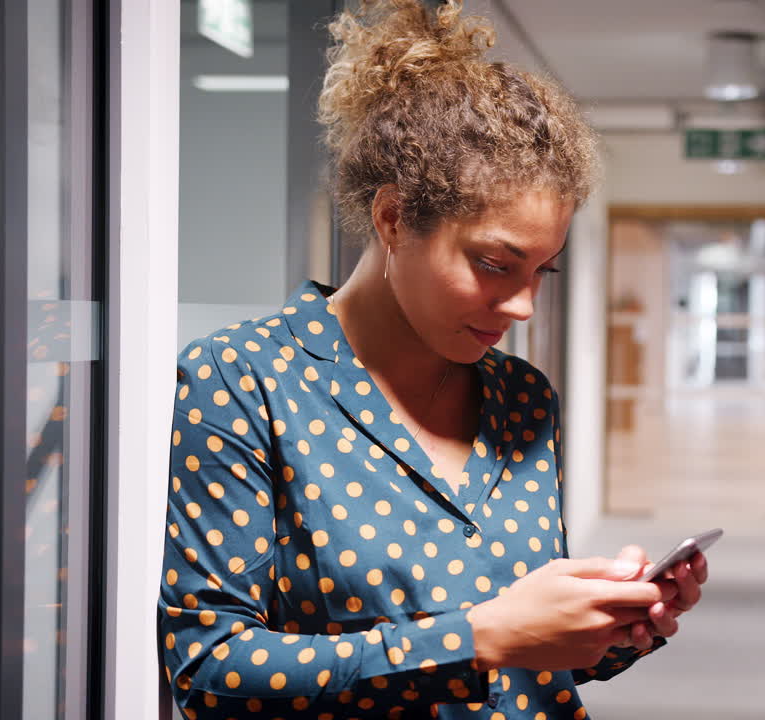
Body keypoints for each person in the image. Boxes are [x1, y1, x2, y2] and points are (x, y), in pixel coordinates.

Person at [157, 1, 709, 717]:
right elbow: (208, 671)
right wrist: (478, 640)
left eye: (543, 271)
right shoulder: (244, 381)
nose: (522, 307)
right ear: (393, 219)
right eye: (494, 264)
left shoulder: (523, 399)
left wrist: (616, 626)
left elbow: (531, 662)